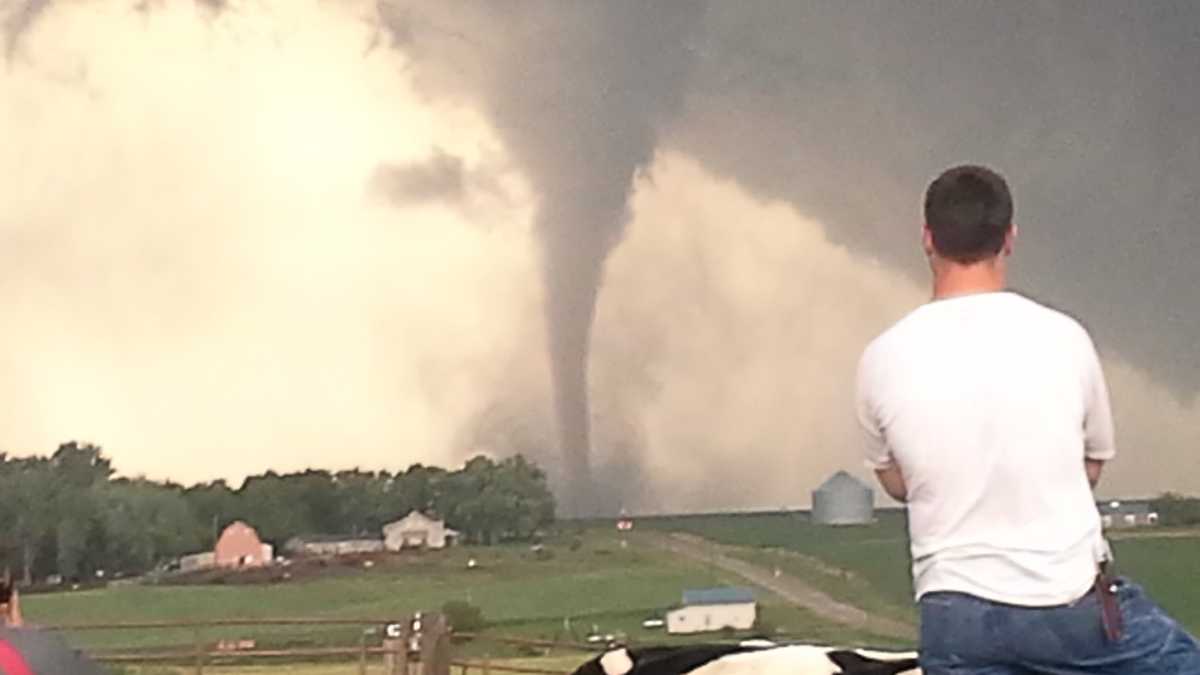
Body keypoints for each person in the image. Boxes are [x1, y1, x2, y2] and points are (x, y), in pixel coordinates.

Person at [854, 165, 1200, 674]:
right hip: (1068, 601)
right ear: (1010, 237)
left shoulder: (879, 358)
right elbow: (1092, 464)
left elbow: (896, 481)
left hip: (954, 615)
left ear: (927, 238)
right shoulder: (1066, 338)